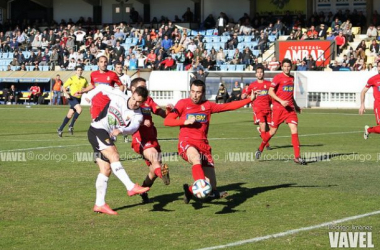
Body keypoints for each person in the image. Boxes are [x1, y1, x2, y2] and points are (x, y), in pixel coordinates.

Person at [164, 80, 256, 204]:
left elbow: (228, 106)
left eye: (198, 92)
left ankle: (190, 191)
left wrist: (249, 99)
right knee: (196, 158)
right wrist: (184, 121)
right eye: (192, 91)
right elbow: (167, 121)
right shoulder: (182, 104)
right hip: (187, 142)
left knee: (211, 188)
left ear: (203, 93)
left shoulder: (208, 105)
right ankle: (201, 187)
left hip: (204, 146)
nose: (195, 95)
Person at [86, 85, 150, 215]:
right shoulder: (118, 95)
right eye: (133, 99)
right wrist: (89, 96)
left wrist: (121, 130)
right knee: (114, 155)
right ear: (131, 94)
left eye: (138, 102)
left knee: (106, 169)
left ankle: (99, 204)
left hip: (105, 134)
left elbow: (133, 127)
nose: (134, 103)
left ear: (143, 102)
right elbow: (101, 87)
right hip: (97, 129)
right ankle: (130, 186)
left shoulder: (137, 115)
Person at [129, 77, 173, 203]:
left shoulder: (148, 99)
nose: (145, 89)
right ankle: (163, 174)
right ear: (133, 89)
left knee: (154, 170)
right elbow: (127, 119)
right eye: (142, 87)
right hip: (140, 138)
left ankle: (143, 190)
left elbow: (160, 112)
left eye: (145, 87)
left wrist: (168, 111)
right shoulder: (130, 102)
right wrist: (142, 121)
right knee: (154, 158)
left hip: (152, 137)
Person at [255, 58, 306, 165]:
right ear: (282, 67)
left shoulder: (292, 78)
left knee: (294, 129)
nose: (287, 68)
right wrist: (281, 101)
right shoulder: (278, 78)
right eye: (285, 66)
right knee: (272, 132)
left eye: (288, 66)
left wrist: (296, 106)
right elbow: (270, 91)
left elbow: (291, 95)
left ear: (291, 67)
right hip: (279, 109)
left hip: (290, 109)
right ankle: (260, 148)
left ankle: (297, 157)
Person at [80, 55, 124, 120]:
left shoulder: (112, 74)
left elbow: (121, 86)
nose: (103, 64)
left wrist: (118, 97)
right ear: (98, 63)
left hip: (108, 104)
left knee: (108, 126)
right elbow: (92, 85)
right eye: (101, 62)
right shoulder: (93, 74)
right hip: (95, 104)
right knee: (95, 124)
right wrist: (83, 91)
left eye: (105, 62)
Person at [242, 65, 272, 151]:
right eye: (258, 72)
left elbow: (273, 93)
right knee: (263, 125)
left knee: (269, 129)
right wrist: (244, 95)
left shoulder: (269, 84)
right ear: (255, 74)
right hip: (258, 109)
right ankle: (267, 145)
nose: (259, 74)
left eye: (261, 72)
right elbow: (244, 95)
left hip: (268, 108)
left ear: (263, 73)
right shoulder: (252, 85)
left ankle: (261, 133)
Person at [57, 66, 88, 137]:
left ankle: (60, 128)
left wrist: (84, 93)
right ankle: (71, 125)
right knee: (79, 109)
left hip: (78, 99)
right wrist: (66, 94)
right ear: (76, 71)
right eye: (78, 70)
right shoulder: (72, 78)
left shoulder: (84, 80)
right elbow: (63, 87)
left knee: (70, 115)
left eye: (81, 70)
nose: (79, 71)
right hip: (72, 97)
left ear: (82, 71)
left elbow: (86, 89)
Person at [360, 61, 380, 139]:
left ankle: (368, 130)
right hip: (378, 105)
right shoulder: (373, 79)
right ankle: (368, 130)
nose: (379, 68)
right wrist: (362, 104)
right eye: (379, 66)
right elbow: (363, 91)